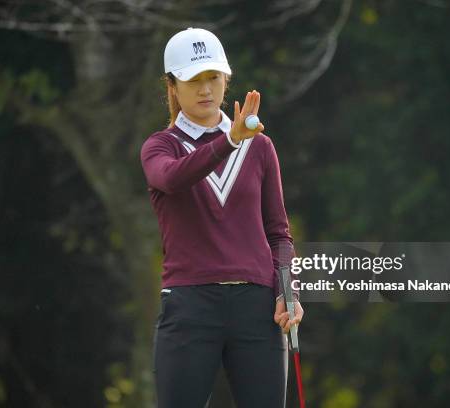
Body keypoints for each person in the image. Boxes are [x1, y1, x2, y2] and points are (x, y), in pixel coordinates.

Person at [140, 27, 304, 408]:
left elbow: (278, 234)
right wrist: (229, 140)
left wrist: (286, 290)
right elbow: (173, 178)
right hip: (190, 306)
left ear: (225, 79)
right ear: (172, 86)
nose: (205, 90)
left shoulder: (260, 146)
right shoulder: (160, 146)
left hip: (256, 309)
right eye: (193, 80)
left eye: (213, 77)